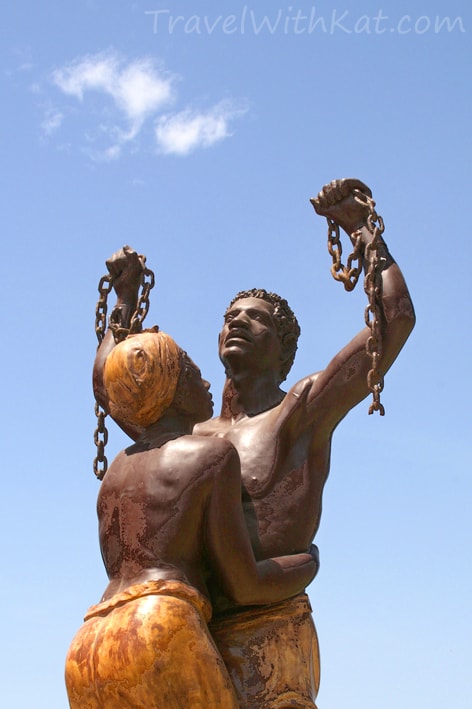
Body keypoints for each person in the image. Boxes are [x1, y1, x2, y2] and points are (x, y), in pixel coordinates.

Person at [94, 178, 415, 708]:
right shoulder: (188, 437)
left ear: (283, 350)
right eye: (229, 318)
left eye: (256, 319)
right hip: (189, 639)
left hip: (270, 635)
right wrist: (124, 305)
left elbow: (393, 322)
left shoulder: (301, 410)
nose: (237, 322)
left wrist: (363, 233)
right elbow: (116, 391)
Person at [67, 330, 318, 709]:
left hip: (88, 645)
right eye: (192, 374)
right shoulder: (211, 455)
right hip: (160, 624)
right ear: (172, 388)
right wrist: (305, 564)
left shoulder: (116, 471)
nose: (206, 383)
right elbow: (244, 585)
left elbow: (110, 383)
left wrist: (123, 302)